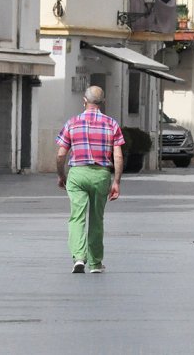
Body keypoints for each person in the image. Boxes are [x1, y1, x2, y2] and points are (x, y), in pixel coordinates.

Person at [56, 86, 124, 274]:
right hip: (101, 174)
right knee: (96, 218)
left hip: (77, 173)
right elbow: (118, 156)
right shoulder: (111, 124)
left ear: (84, 101)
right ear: (103, 103)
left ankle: (79, 258)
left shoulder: (72, 123)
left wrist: (61, 175)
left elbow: (61, 154)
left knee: (77, 217)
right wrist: (116, 181)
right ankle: (95, 263)